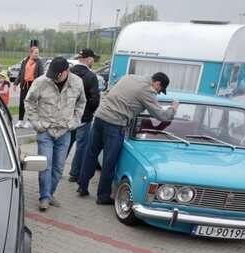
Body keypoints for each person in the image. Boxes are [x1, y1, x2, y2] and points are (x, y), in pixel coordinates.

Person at [78, 72, 178, 204]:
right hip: (115, 124)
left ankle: (82, 186)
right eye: (159, 90)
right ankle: (103, 196)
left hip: (100, 117)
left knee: (91, 154)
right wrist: (173, 108)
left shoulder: (129, 77)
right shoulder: (147, 90)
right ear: (157, 83)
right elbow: (162, 116)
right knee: (109, 162)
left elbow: (108, 92)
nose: (158, 93)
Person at [25, 57, 86, 211]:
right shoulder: (41, 82)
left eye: (57, 75)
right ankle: (44, 197)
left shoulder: (77, 83)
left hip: (64, 131)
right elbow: (29, 101)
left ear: (66, 71)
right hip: (45, 130)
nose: (53, 77)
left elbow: (81, 103)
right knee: (45, 165)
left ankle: (49, 193)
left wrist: (74, 122)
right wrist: (37, 124)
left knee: (58, 167)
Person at [67, 48, 101, 182]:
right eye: (93, 59)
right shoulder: (91, 76)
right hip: (83, 118)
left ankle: (56, 168)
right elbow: (95, 100)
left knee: (64, 144)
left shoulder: (69, 73)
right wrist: (89, 112)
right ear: (89, 59)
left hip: (68, 116)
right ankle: (74, 174)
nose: (93, 61)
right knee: (81, 147)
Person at [13, 46, 43, 128]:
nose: (37, 54)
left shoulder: (39, 62)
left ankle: (29, 121)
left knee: (30, 103)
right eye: (35, 53)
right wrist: (15, 83)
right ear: (30, 53)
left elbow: (41, 75)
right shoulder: (25, 61)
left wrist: (40, 87)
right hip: (24, 84)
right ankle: (20, 121)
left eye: (38, 53)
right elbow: (21, 74)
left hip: (33, 85)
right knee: (22, 103)